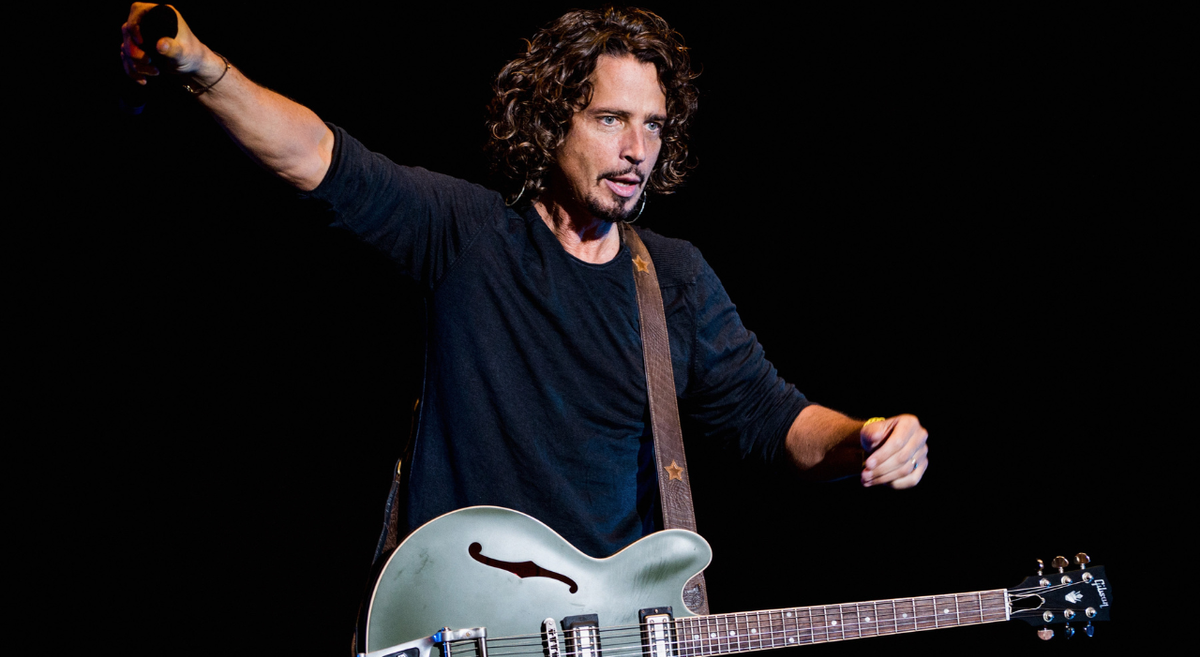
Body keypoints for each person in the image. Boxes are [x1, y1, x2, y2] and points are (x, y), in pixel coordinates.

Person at [120, 3, 928, 563]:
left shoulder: (672, 279)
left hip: (605, 636)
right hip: (467, 621)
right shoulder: (469, 235)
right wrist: (201, 67)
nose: (637, 147)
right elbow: (321, 160)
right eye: (611, 118)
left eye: (652, 124)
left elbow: (773, 416)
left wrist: (865, 432)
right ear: (552, 123)